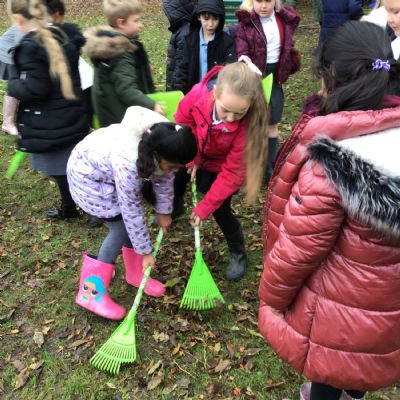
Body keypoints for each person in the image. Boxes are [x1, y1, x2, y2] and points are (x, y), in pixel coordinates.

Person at [258, 21, 400, 400]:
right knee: (358, 365)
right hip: (387, 308)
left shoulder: (333, 162)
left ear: (331, 76)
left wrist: (272, 300)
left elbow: (299, 250)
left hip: (336, 311)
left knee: (330, 367)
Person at [67, 106, 197, 320]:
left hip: (106, 174)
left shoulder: (163, 142)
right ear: (156, 155)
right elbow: (131, 210)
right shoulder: (129, 162)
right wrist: (145, 251)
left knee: (129, 227)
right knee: (120, 229)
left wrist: (164, 211)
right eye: (172, 166)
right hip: (89, 180)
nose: (176, 170)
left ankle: (135, 274)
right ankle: (90, 294)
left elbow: (165, 179)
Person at [173, 62, 269, 281]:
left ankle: (238, 252)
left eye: (239, 113)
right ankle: (173, 209)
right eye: (226, 110)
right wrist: (193, 156)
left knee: (220, 209)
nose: (231, 118)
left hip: (222, 165)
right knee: (177, 174)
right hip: (201, 152)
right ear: (215, 93)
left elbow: (232, 173)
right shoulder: (197, 95)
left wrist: (204, 207)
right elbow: (183, 121)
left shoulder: (248, 126)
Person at [7, 0, 90, 219]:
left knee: (63, 170)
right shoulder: (62, 36)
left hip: (50, 122)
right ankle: (71, 207)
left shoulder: (31, 46)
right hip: (71, 113)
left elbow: (36, 88)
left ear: (18, 19)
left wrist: (13, 80)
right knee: (68, 168)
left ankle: (94, 210)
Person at [235, 0, 301, 184]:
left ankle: (269, 165)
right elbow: (242, 50)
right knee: (251, 123)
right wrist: (246, 63)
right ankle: (249, 164)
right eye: (259, 1)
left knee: (272, 123)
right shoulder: (246, 23)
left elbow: (287, 45)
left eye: (268, 1)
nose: (263, 6)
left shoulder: (284, 20)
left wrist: (289, 62)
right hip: (254, 79)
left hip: (275, 80)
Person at [83, 0, 164, 128]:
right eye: (136, 20)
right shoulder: (120, 52)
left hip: (111, 113)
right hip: (121, 118)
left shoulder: (108, 44)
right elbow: (126, 89)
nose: (141, 25)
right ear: (121, 23)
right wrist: (151, 105)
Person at [174, 0, 236, 94]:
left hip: (215, 95)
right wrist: (181, 95)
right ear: (199, 17)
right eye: (206, 19)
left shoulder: (227, 42)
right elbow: (181, 71)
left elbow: (230, 73)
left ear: (220, 18)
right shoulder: (189, 41)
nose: (210, 24)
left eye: (215, 19)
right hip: (192, 95)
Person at [162, 0, 194, 91]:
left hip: (178, 91)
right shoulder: (180, 31)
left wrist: (176, 91)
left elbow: (181, 68)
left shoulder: (183, 34)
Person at [0, 25, 22, 137]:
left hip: (17, 52)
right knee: (16, 86)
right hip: (9, 53)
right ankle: (7, 123)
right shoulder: (30, 20)